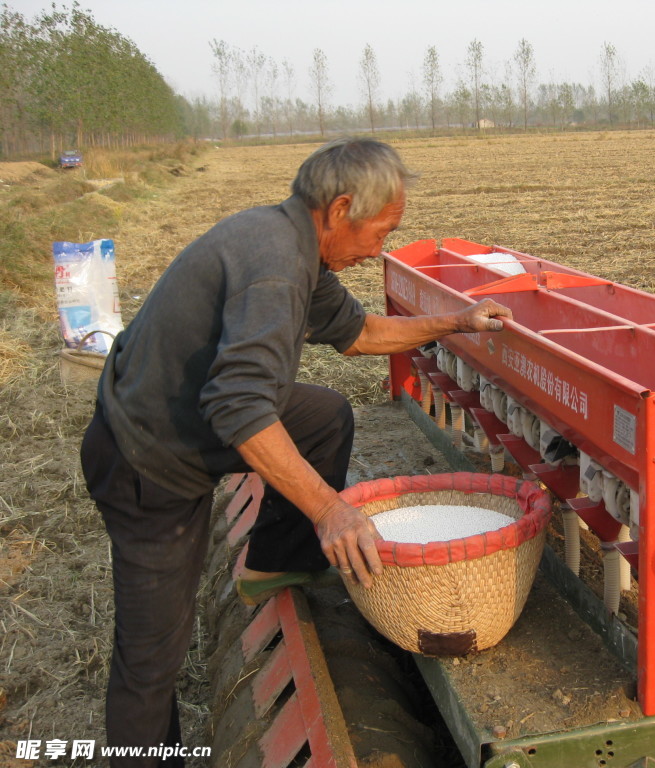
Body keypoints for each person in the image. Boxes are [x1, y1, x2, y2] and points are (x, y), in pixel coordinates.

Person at [79, 137, 511, 766]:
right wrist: (329, 509)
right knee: (152, 657)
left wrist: (458, 321)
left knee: (324, 414)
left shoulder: (295, 243)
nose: (381, 248)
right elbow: (240, 409)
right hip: (149, 458)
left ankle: (273, 564)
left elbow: (361, 333)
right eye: (381, 230)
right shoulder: (277, 267)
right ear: (340, 210)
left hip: (184, 411)